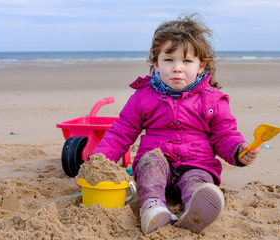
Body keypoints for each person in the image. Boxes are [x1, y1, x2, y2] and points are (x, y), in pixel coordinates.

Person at [80, 14, 260, 234]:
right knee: (149, 165)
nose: (177, 68)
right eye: (169, 60)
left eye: (186, 61)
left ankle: (197, 209)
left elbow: (224, 135)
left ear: (201, 66)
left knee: (198, 182)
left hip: (197, 164)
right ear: (156, 63)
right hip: (158, 163)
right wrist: (98, 162)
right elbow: (121, 133)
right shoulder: (143, 97)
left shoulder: (212, 99)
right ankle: (153, 207)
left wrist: (238, 150)